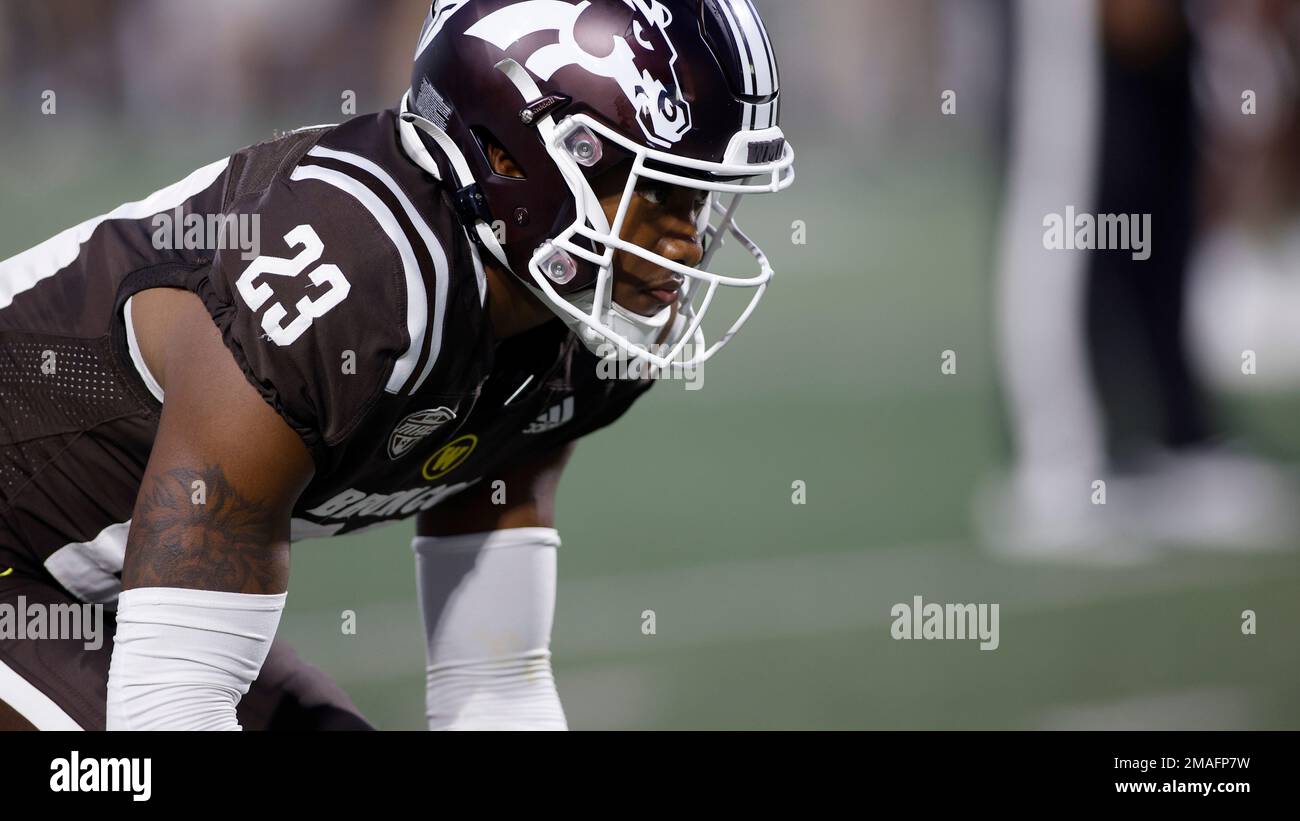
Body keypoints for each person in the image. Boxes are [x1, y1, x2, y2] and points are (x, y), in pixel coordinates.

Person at [0, 0, 794, 730]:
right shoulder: (348, 279)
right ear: (515, 156)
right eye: (659, 191)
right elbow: (172, 703)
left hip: (88, 584)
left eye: (700, 199)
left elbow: (495, 681)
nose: (687, 244)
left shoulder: (578, 336)